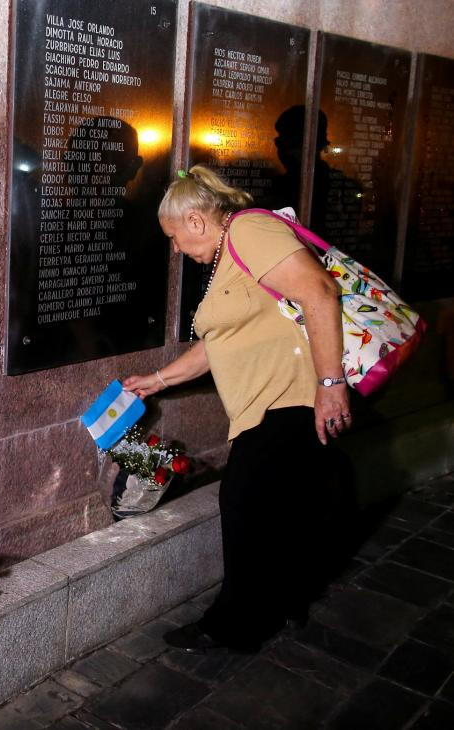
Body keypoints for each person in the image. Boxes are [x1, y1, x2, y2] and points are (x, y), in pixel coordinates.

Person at [124, 165, 351, 653]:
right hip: (267, 402)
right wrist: (157, 381)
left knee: (243, 503)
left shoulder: (250, 230)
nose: (176, 248)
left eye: (175, 236)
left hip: (290, 398)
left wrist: (331, 384)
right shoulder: (232, 253)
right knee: (281, 509)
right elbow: (219, 343)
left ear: (196, 222)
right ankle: (286, 601)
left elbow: (320, 292)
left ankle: (233, 625)